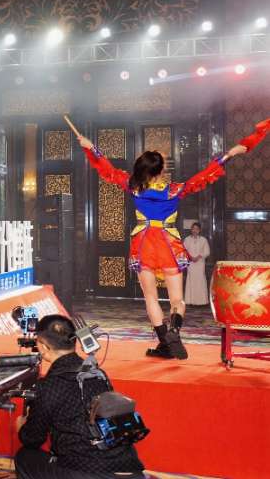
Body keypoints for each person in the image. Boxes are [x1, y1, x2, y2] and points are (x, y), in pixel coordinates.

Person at [77, 117, 268, 360]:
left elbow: (107, 169)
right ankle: (174, 332)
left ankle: (165, 343)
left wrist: (90, 147)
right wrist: (230, 154)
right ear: (160, 171)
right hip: (169, 244)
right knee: (177, 299)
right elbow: (205, 175)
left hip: (144, 245)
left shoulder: (133, 186)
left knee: (150, 297)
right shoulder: (175, 190)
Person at [14, 315, 145, 479]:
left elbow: (32, 439)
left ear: (43, 346)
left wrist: (21, 427)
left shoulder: (49, 385)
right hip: (130, 470)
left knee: (25, 456)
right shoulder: (99, 374)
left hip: (88, 473)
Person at [183, 222, 210, 306]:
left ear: (199, 230)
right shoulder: (187, 239)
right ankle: (190, 301)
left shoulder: (203, 240)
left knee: (200, 281)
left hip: (200, 263)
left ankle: (202, 301)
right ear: (191, 230)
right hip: (190, 263)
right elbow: (184, 251)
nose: (195, 230)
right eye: (193, 229)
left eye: (197, 229)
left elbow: (207, 252)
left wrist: (198, 256)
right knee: (191, 280)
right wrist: (190, 257)